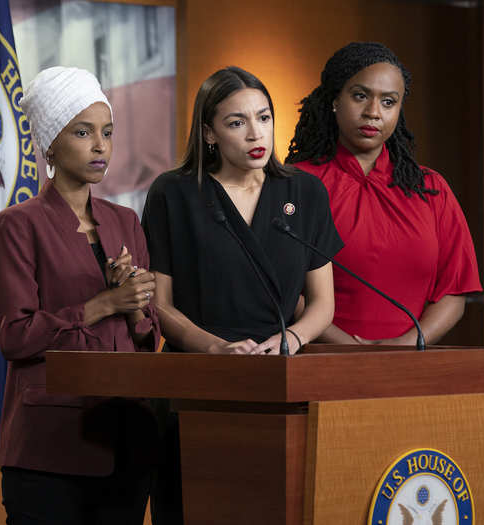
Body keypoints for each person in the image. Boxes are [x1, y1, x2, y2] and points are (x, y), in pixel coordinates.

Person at [141, 66, 343, 524]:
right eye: (237, 122)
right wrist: (215, 347)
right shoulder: (174, 193)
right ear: (209, 133)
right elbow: (160, 304)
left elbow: (323, 304)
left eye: (264, 117)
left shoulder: (304, 192)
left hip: (281, 384)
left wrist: (290, 340)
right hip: (194, 384)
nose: (257, 133)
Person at [0, 66, 160, 525]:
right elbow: (15, 336)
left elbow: (149, 338)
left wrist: (137, 305)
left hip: (126, 439)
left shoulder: (125, 221)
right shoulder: (17, 224)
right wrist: (104, 303)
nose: (100, 145)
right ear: (49, 142)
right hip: (50, 448)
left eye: (107, 132)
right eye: (83, 132)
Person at [286, 42, 481, 345]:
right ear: (335, 99)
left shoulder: (431, 188)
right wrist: (348, 349)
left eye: (388, 102)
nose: (373, 112)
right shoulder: (297, 184)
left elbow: (454, 291)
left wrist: (402, 346)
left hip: (408, 368)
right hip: (319, 362)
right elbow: (284, 287)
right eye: (360, 96)